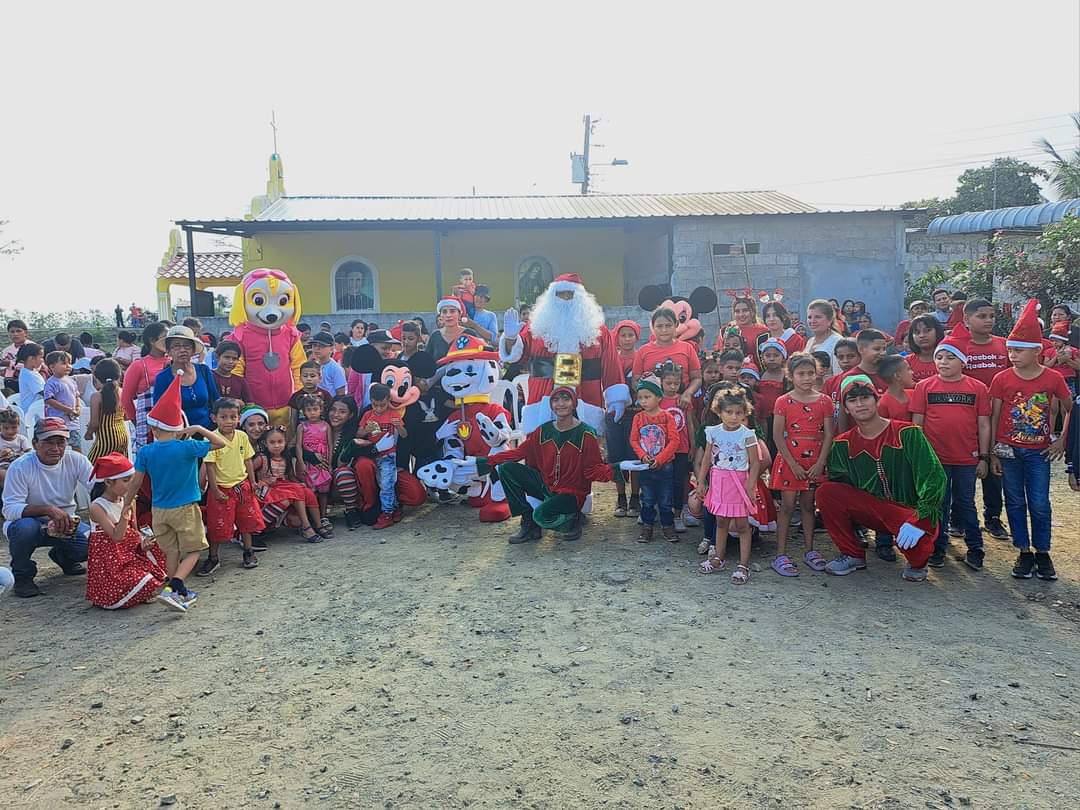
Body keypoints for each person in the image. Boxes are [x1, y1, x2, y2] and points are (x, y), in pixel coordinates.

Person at [818, 375, 946, 582]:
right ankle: (852, 554)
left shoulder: (908, 433)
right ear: (846, 409)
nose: (860, 404)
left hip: (911, 511)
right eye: (852, 400)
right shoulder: (842, 444)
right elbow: (842, 489)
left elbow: (934, 478)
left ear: (876, 399)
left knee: (917, 548)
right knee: (827, 492)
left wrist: (919, 519)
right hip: (873, 509)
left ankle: (919, 562)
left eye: (865, 397)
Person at [120, 377, 225, 612]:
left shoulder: (146, 451)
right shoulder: (188, 446)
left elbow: (136, 482)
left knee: (171, 551)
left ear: (154, 428)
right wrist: (198, 429)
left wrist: (126, 505)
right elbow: (220, 443)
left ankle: (178, 593)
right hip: (185, 508)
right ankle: (172, 587)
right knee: (194, 550)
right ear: (179, 427)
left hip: (159, 510)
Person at [988, 300, 1073, 581]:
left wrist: (1061, 439)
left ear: (1037, 350)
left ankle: (1043, 552)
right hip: (1008, 450)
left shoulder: (1052, 378)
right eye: (1010, 350)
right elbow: (994, 414)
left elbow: (1071, 408)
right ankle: (1023, 551)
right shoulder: (1001, 379)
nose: (1013, 355)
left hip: (1039, 452)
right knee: (1014, 501)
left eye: (1019, 350)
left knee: (1039, 503)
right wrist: (993, 452)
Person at [501, 274, 629, 433]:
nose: (565, 299)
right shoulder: (536, 327)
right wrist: (510, 339)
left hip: (586, 398)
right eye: (560, 294)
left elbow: (611, 366)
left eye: (570, 294)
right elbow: (517, 356)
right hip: (543, 397)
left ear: (581, 298)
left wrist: (616, 399)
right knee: (542, 443)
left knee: (585, 443)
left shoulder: (598, 330)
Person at [486, 386, 613, 543]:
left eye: (566, 399)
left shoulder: (586, 433)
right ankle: (529, 523)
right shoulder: (543, 431)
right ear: (551, 405)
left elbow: (594, 469)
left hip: (572, 494)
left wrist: (618, 469)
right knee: (507, 468)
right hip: (547, 486)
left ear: (574, 403)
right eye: (556, 400)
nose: (560, 404)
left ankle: (572, 521)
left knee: (541, 516)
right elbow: (519, 452)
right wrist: (486, 461)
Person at [909, 337, 990, 571]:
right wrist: (918, 458)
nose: (943, 362)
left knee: (966, 503)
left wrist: (984, 457)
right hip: (935, 460)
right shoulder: (924, 387)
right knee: (939, 503)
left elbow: (984, 424)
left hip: (967, 459)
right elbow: (917, 424)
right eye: (939, 357)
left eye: (950, 357)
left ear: (963, 361)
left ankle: (975, 547)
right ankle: (937, 547)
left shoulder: (977, 388)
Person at [2, 417, 94, 597]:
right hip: (30, 524)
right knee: (24, 529)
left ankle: (63, 556)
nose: (55, 448)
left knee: (92, 544)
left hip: (66, 523)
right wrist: (47, 509)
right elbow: (9, 509)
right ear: (35, 444)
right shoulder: (20, 467)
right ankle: (23, 576)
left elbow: (96, 487)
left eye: (61, 442)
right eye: (48, 442)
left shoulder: (76, 460)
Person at [769, 354, 833, 577]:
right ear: (791, 376)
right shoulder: (783, 401)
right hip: (790, 460)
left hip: (815, 460)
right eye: (801, 374)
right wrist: (792, 464)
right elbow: (777, 436)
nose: (806, 378)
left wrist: (821, 462)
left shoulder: (825, 401)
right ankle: (780, 553)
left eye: (810, 373)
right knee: (787, 506)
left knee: (808, 506)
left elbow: (829, 434)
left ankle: (809, 550)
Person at [953, 298, 1010, 539]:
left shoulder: (1004, 345)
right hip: (965, 420)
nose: (989, 320)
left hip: (996, 419)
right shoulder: (958, 346)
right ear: (966, 319)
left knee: (994, 468)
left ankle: (993, 517)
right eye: (982, 316)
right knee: (960, 470)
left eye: (991, 316)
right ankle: (958, 517)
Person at [695, 385, 762, 585]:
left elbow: (755, 462)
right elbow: (707, 458)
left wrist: (751, 486)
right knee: (721, 521)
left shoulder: (747, 435)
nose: (734, 417)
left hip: (739, 483)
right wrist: (701, 481)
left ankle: (743, 565)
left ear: (745, 413)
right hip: (718, 481)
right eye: (729, 412)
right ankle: (719, 558)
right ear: (719, 412)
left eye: (738, 413)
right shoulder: (712, 432)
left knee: (742, 525)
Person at [85, 453, 167, 609]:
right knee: (138, 580)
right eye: (126, 480)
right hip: (111, 560)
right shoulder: (97, 507)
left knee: (163, 555)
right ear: (108, 482)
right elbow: (117, 536)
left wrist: (143, 543)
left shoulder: (129, 499)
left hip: (130, 551)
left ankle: (143, 588)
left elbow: (134, 530)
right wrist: (124, 513)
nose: (131, 484)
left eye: (132, 480)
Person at [201, 398, 265, 574]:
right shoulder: (212, 439)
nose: (229, 421)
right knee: (217, 525)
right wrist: (214, 490)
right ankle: (213, 557)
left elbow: (248, 460)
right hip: (221, 489)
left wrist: (252, 481)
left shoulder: (242, 436)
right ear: (214, 418)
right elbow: (210, 466)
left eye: (233, 417)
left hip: (242, 486)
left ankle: (248, 551)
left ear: (238, 418)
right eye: (223, 417)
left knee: (247, 521)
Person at [255, 426, 328, 542]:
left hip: (285, 484)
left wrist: (299, 483)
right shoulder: (262, 458)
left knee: (308, 493)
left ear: (285, 442)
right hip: (270, 488)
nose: (277, 445)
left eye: (280, 442)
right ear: (265, 443)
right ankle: (306, 527)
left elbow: (291, 476)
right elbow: (248, 472)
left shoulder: (286, 457)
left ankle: (318, 525)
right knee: (296, 492)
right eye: (272, 442)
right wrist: (258, 482)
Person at [630, 376, 679, 542]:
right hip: (645, 466)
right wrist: (642, 456)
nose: (643, 401)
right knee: (647, 498)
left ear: (658, 397)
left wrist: (661, 459)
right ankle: (647, 527)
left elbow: (674, 441)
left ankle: (668, 526)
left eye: (647, 397)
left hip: (665, 466)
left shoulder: (667, 417)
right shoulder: (638, 418)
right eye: (640, 397)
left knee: (666, 499)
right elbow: (634, 440)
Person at [353, 383, 405, 529]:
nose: (379, 409)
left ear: (388, 400)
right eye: (375, 405)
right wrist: (365, 430)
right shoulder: (367, 415)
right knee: (383, 483)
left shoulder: (393, 414)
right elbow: (358, 435)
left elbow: (404, 435)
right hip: (372, 454)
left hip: (388, 455)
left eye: (382, 405)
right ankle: (395, 508)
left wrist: (399, 426)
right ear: (371, 400)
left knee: (387, 484)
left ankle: (387, 513)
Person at [152, 325, 220, 431]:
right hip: (179, 434)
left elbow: (216, 401)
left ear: (193, 350)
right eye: (176, 346)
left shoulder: (204, 371)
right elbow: (160, 411)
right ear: (168, 351)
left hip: (208, 431)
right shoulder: (162, 378)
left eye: (187, 346)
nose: (182, 350)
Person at [121, 323, 170, 452]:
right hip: (148, 422)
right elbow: (126, 399)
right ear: (152, 341)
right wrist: (137, 421)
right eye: (165, 337)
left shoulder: (173, 362)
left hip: (173, 420)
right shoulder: (138, 365)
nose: (169, 341)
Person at [610, 320, 641, 518]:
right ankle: (620, 497)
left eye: (631, 335)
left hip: (635, 413)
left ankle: (635, 497)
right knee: (616, 456)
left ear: (637, 337)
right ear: (617, 337)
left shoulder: (641, 357)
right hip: (614, 415)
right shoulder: (612, 359)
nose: (627, 339)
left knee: (635, 455)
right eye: (623, 335)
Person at [659, 362, 693, 534]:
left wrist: (693, 446)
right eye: (668, 383)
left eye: (676, 383)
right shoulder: (657, 401)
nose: (672, 387)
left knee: (679, 482)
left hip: (681, 448)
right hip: (663, 450)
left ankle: (678, 515)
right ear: (661, 382)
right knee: (663, 481)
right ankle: (662, 513)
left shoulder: (683, 401)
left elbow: (690, 424)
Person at [836, 329, 890, 432]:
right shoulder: (851, 377)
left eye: (884, 349)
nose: (882, 353)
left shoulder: (889, 373)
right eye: (877, 349)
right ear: (861, 349)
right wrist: (842, 437)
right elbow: (843, 412)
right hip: (859, 434)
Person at [296, 394, 333, 525]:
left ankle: (323, 515)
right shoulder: (302, 427)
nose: (312, 413)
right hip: (308, 464)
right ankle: (312, 517)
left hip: (322, 463)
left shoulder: (326, 426)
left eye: (315, 409)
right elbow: (298, 446)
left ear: (321, 410)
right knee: (311, 491)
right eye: (309, 410)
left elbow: (330, 445)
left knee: (323, 491)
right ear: (304, 412)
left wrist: (329, 463)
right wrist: (301, 463)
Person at [84, 359, 128, 462]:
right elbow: (126, 417)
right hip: (122, 435)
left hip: (106, 439)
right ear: (119, 375)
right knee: (119, 468)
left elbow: (94, 423)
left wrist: (88, 433)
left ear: (96, 377)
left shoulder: (96, 396)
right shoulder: (122, 392)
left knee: (92, 466)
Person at [43, 351, 82, 452]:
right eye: (64, 363)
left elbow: (77, 396)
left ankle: (78, 461)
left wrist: (78, 408)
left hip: (72, 423)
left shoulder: (71, 381)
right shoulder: (51, 383)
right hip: (57, 424)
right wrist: (67, 409)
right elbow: (49, 400)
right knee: (59, 448)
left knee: (76, 446)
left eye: (69, 363)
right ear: (52, 366)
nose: (68, 366)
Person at [426, 297, 479, 363]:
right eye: (444, 312)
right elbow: (427, 361)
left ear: (459, 314)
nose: (448, 315)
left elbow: (478, 359)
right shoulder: (435, 336)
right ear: (440, 316)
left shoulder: (470, 334)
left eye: (452, 311)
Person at [289, 360, 333, 433]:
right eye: (305, 376)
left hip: (321, 432)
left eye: (312, 376)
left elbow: (329, 415)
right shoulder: (296, 396)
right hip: (303, 433)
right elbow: (293, 418)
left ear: (320, 378)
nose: (308, 379)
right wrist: (294, 434)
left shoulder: (325, 395)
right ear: (300, 378)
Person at [804, 299, 845, 374]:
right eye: (809, 317)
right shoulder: (810, 341)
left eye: (818, 317)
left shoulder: (837, 342)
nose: (812, 321)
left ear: (830, 320)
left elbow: (839, 374)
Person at [905, 314, 944, 383]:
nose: (922, 335)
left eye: (927, 330)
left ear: (938, 331)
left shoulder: (948, 361)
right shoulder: (906, 363)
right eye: (917, 332)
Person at [0, 408, 32, 489]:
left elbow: (29, 454)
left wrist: (18, 454)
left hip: (20, 464)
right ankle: (9, 492)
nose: (10, 431)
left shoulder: (21, 439)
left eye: (14, 427)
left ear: (19, 426)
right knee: (3, 475)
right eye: (6, 428)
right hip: (3, 465)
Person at [876, 355, 914, 422]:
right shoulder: (883, 404)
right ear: (897, 376)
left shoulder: (914, 394)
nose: (912, 372)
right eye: (908, 369)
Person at [311, 331, 348, 396]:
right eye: (314, 345)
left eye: (322, 346)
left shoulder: (336, 369)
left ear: (331, 348)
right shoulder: (311, 365)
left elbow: (341, 394)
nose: (317, 348)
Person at [1, 319, 31, 390]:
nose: (15, 334)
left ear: (25, 333)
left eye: (18, 331)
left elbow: (34, 367)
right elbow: (3, 370)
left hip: (29, 384)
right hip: (10, 385)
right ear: (8, 334)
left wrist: (10, 364)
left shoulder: (32, 348)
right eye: (12, 332)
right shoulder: (6, 351)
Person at [17, 343, 46, 411]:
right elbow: (45, 393)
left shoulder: (28, 371)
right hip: (33, 411)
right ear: (32, 358)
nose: (42, 360)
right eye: (41, 357)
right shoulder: (30, 375)